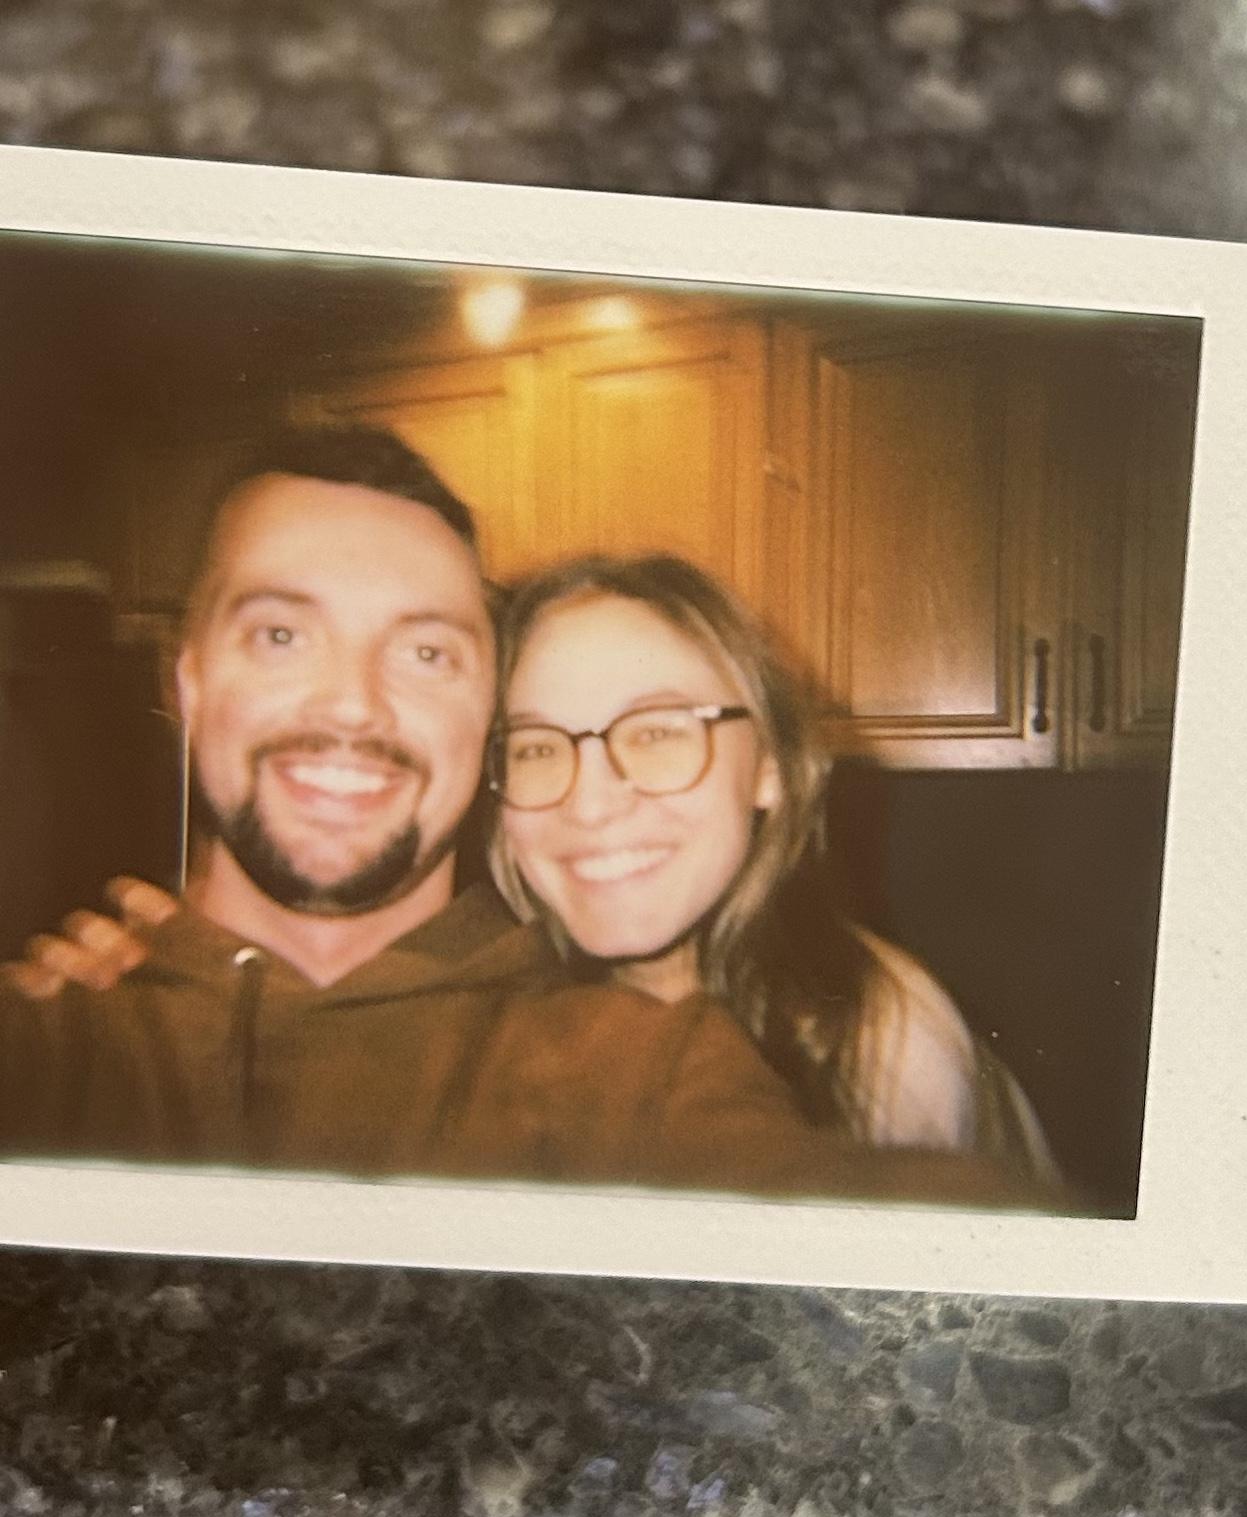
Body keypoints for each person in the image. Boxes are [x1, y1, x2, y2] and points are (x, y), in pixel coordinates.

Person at [0, 424, 1035, 1208]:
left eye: (427, 652)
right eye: (280, 635)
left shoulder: (661, 1059)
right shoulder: (58, 1033)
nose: (353, 704)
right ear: (185, 680)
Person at [487, 553, 1062, 1183]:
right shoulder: (482, 1027)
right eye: (535, 748)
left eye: (657, 733)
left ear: (769, 766)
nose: (590, 805)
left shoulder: (879, 1049)